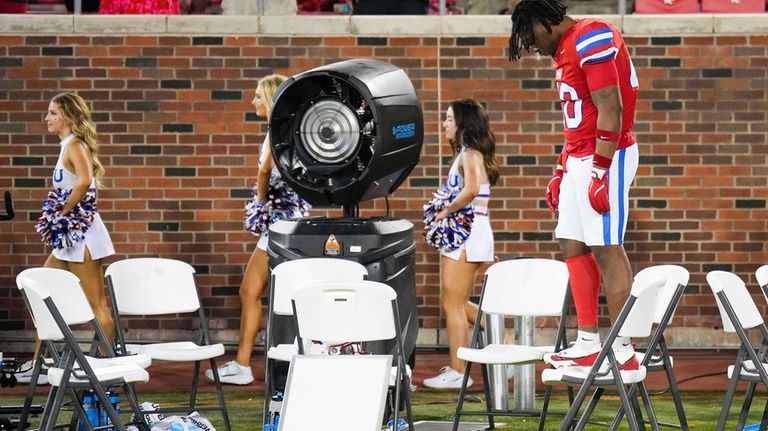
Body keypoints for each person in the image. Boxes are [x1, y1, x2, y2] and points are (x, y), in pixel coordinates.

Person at [508, 0, 640, 370]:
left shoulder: (590, 36)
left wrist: (599, 170)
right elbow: (578, 118)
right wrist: (562, 165)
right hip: (581, 155)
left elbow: (610, 108)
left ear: (543, 21)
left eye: (529, 34)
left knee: (606, 247)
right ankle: (587, 340)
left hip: (608, 154)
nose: (530, 45)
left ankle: (623, 348)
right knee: (571, 240)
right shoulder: (565, 47)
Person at [205, 74, 304, 385]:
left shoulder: (277, 130)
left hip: (278, 224)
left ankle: (243, 365)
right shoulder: (293, 131)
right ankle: (244, 362)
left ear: (272, 99)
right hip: (288, 222)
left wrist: (260, 201)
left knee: (250, 291)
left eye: (259, 96)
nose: (253, 102)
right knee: (261, 292)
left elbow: (264, 170)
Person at [18, 92, 116, 384]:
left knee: (96, 304)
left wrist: (64, 209)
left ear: (68, 117)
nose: (47, 118)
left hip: (82, 236)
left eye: (52, 113)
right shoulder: (67, 146)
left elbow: (85, 180)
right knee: (42, 293)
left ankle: (106, 365)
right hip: (69, 239)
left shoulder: (75, 145)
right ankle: (40, 363)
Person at [423, 99, 499, 389]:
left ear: (464, 125)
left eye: (449, 120)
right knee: (456, 302)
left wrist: (445, 210)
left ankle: (458, 372)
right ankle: (501, 336)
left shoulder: (470, 154)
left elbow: (471, 190)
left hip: (466, 233)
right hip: (473, 232)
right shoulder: (470, 154)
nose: (444, 124)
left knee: (452, 304)